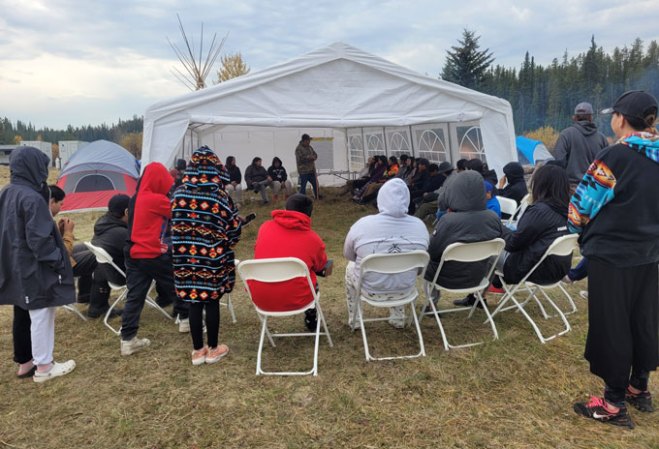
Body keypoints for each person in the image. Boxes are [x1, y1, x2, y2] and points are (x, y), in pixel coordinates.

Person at [569, 90, 659, 429]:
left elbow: (580, 207)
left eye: (613, 115)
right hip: (650, 253)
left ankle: (612, 404)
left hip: (612, 253)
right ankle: (640, 387)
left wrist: (576, 227)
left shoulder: (614, 157)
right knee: (643, 318)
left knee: (613, 325)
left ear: (621, 118)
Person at [0, 146, 76, 382]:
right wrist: (57, 261)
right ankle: (44, 366)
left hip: (14, 262)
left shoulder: (7, 191)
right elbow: (39, 240)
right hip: (33, 265)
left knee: (24, 309)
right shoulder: (32, 198)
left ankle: (26, 363)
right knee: (42, 312)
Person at [172, 147, 241, 365]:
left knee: (194, 302)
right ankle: (213, 349)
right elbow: (233, 230)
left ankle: (197, 350)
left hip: (185, 257)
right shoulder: (220, 196)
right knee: (211, 301)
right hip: (212, 258)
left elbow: (172, 225)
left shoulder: (178, 194)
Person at [120, 162, 189, 356]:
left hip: (133, 252)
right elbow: (179, 213)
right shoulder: (155, 199)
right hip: (150, 252)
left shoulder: (135, 198)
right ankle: (186, 321)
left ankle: (128, 339)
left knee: (135, 296)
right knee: (179, 283)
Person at [344, 178, 429, 329]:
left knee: (350, 267)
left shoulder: (363, 224)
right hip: (405, 289)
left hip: (369, 288)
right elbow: (420, 267)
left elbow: (349, 255)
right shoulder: (420, 227)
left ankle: (355, 320)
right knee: (403, 267)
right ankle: (398, 317)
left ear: (380, 198)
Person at [424, 171, 504, 307]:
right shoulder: (493, 218)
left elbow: (433, 251)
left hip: (447, 278)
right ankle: (479, 298)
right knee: (492, 258)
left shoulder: (448, 221)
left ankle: (431, 304)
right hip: (479, 277)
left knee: (428, 260)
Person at [251, 194, 329, 331]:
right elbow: (322, 267)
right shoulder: (313, 239)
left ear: (286, 209)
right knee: (313, 275)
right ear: (309, 215)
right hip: (297, 299)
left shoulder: (264, 228)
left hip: (261, 297)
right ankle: (311, 318)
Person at [48, 185, 97, 305]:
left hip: (57, 258)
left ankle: (85, 294)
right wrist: (68, 232)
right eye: (61, 204)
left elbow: (53, 244)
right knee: (97, 256)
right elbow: (64, 252)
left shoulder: (44, 216)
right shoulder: (44, 219)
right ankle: (99, 303)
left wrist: (60, 232)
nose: (61, 208)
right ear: (52, 202)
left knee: (89, 246)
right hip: (58, 266)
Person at [86, 194, 131, 318]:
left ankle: (97, 307)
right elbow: (138, 253)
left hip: (106, 269)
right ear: (127, 212)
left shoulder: (104, 222)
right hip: (118, 275)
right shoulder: (120, 232)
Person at [554, 101, 609, 187]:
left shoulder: (566, 135)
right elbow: (607, 165)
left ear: (574, 117)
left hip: (571, 189)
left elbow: (559, 162)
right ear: (591, 117)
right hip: (594, 190)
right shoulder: (601, 138)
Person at [295, 134, 319, 199]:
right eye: (308, 141)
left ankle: (317, 197)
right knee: (303, 187)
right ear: (304, 140)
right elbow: (300, 159)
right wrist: (309, 158)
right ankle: (303, 199)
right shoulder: (298, 149)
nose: (309, 142)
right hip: (303, 171)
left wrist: (314, 157)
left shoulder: (310, 147)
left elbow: (315, 154)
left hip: (311, 170)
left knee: (316, 184)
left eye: (309, 141)